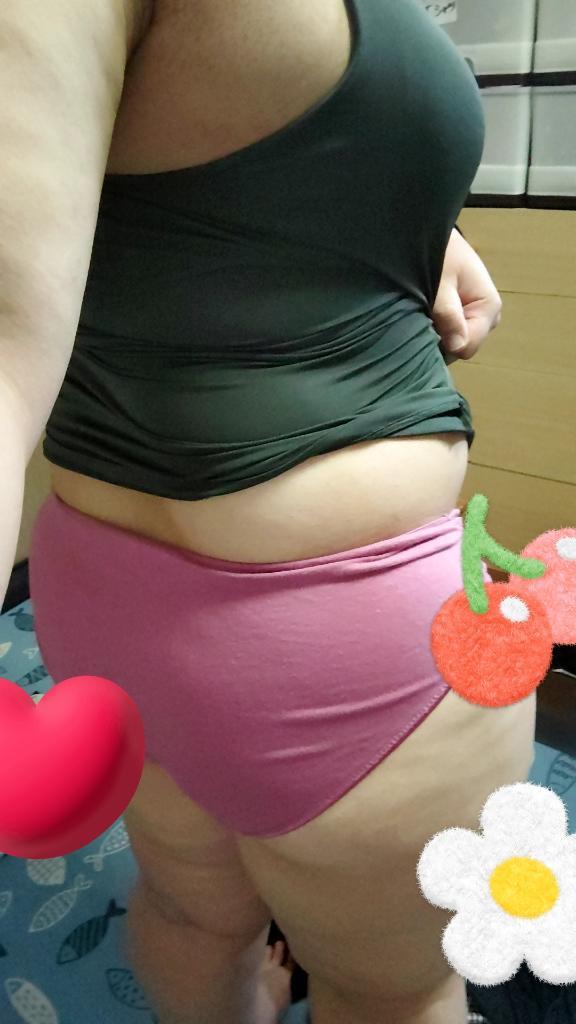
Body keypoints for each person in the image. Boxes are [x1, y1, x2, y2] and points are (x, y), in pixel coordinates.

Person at [1, 0, 533, 1023]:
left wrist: (409, 225)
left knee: (190, 914)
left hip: (104, 597)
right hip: (347, 632)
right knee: (397, 991)